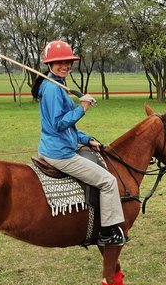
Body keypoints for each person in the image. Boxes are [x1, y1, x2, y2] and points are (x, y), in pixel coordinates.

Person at [33, 40, 126, 246]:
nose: (64, 65)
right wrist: (82, 108)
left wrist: (85, 139)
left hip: (57, 145)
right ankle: (107, 232)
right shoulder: (51, 89)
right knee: (108, 181)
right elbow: (58, 124)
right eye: (59, 62)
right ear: (49, 64)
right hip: (60, 153)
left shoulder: (57, 85)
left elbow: (66, 127)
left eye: (67, 62)